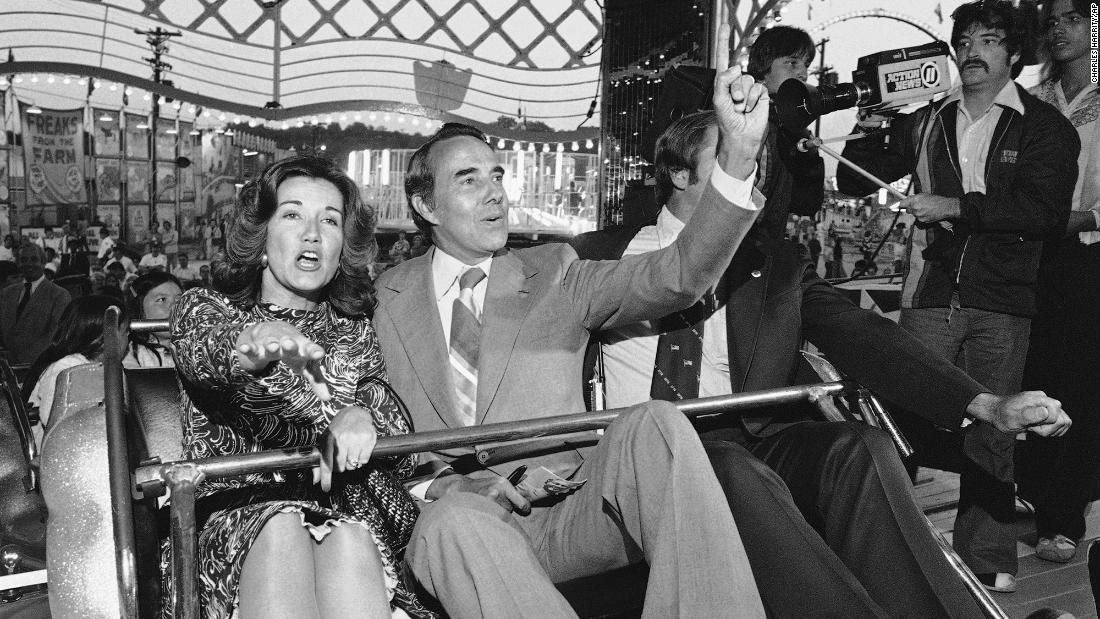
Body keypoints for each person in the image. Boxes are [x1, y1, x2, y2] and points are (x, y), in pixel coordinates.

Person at [572, 109, 1071, 618]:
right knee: (727, 469)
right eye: (733, 157)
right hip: (647, 451)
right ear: (679, 173)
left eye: (758, 163)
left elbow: (864, 336)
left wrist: (985, 404)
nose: (754, 174)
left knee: (858, 447)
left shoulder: (773, 267)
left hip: (748, 438)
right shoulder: (594, 257)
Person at [374, 29, 769, 617]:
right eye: (469, 180)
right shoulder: (380, 299)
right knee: (453, 519)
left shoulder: (558, 271)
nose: (496, 196)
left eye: (498, 176)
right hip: (463, 527)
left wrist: (736, 157)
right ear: (425, 206)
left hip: (572, 515)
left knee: (654, 427)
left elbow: (679, 274)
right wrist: (440, 487)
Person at [838, 0, 1079, 591]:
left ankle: (988, 557)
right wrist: (871, 120)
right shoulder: (926, 120)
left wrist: (954, 207)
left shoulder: (1046, 128)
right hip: (928, 292)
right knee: (900, 418)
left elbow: (1044, 214)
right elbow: (849, 175)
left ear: (1015, 54)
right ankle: (885, 547)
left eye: (989, 40)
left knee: (994, 430)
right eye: (965, 40)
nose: (972, 51)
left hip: (1003, 300)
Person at [167, 155, 433, 618]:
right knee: (282, 528)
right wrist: (254, 343)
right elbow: (207, 352)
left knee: (348, 537)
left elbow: (395, 427)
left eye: (329, 221)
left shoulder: (356, 328)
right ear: (261, 238)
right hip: (238, 518)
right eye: (292, 214)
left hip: (347, 513)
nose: (313, 233)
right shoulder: (209, 309)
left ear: (340, 249)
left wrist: (361, 416)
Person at [1016, 0, 1100, 565]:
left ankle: (1063, 515)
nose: (1060, 30)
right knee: (1030, 375)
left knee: (1078, 382)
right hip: (1027, 257)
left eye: (1074, 17)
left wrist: (1081, 218)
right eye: (1053, 20)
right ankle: (1041, 497)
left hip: (1087, 257)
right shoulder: (1028, 99)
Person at [745, 25, 826, 237]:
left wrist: (807, 151)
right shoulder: (740, 119)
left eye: (806, 65)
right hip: (733, 250)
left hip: (764, 249)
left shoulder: (789, 127)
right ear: (763, 70)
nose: (803, 73)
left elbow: (806, 204)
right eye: (792, 63)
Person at [21, 295, 123, 449]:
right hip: (59, 457)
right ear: (104, 338)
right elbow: (63, 428)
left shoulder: (97, 365)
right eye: (126, 332)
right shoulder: (67, 369)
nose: (129, 340)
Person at [0, 244, 71, 364]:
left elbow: (54, 335)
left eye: (34, 259)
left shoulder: (59, 295)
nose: (28, 264)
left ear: (43, 262)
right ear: (18, 263)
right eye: (23, 260)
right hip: (7, 366)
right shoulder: (7, 293)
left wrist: (21, 359)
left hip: (40, 366)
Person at [126, 271, 183, 367]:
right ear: (140, 309)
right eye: (162, 299)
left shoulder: (196, 347)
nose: (175, 307)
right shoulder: (129, 353)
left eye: (179, 299)